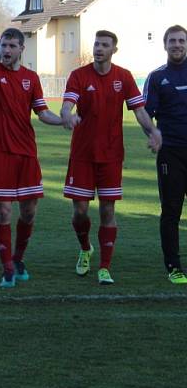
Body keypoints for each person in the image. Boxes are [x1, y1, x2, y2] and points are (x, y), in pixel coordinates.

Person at [0, 27, 62, 288]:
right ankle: (7, 268)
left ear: (21, 49)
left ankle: (18, 259)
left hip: (27, 151)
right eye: (4, 45)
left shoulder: (31, 78)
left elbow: (42, 113)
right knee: (4, 209)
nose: (6, 50)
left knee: (29, 211)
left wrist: (64, 120)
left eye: (11, 46)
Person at [62, 30, 162, 285]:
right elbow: (67, 105)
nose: (99, 48)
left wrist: (152, 131)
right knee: (80, 212)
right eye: (97, 44)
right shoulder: (79, 75)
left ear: (113, 50)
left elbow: (139, 110)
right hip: (82, 154)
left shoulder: (124, 77)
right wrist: (68, 115)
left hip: (111, 155)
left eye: (105, 45)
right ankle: (85, 248)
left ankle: (105, 266)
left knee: (108, 209)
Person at [144, 25, 187, 284]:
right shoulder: (157, 77)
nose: (177, 45)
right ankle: (174, 266)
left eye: (181, 40)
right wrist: (152, 133)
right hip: (171, 153)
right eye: (172, 41)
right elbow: (145, 113)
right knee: (171, 211)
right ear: (165, 45)